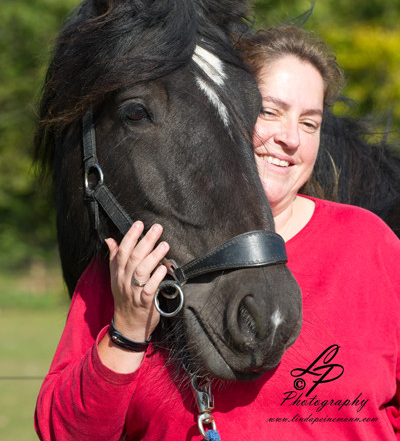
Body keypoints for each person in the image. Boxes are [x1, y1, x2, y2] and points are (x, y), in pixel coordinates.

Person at [35, 25, 400, 440]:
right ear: (221, 111)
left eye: (310, 123)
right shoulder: (133, 260)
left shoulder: (374, 247)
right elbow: (64, 432)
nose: (291, 139)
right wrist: (127, 332)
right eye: (269, 111)